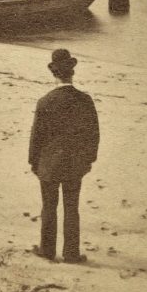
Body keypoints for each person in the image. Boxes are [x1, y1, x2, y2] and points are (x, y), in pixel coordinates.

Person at [28, 48, 99, 264]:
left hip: (48, 162)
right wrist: (89, 160)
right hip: (74, 163)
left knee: (49, 206)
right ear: (72, 73)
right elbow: (93, 134)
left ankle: (47, 250)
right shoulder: (85, 100)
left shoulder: (45, 101)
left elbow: (36, 136)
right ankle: (71, 253)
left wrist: (34, 162)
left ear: (54, 74)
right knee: (71, 207)